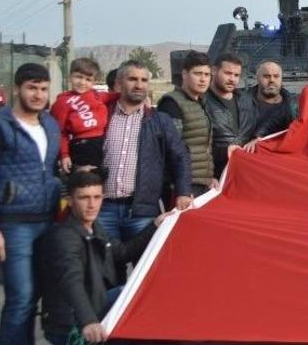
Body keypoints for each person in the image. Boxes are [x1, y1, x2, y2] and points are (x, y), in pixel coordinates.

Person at [36, 170, 171, 345]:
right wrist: (89, 320)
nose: (92, 204)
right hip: (69, 328)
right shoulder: (64, 237)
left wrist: (155, 225)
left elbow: (122, 252)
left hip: (83, 317)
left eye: (97, 197)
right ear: (70, 201)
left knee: (137, 292)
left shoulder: (94, 228)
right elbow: (71, 282)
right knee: (128, 296)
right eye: (84, 198)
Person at [0, 64, 65, 345]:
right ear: (18, 88)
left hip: (45, 219)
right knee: (19, 297)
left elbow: (48, 170)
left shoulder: (49, 124)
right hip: (12, 221)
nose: (38, 95)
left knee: (35, 294)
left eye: (43, 89)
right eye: (32, 88)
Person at [98, 60, 192, 241]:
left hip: (142, 212)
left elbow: (180, 156)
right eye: (132, 79)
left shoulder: (160, 121)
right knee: (106, 267)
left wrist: (183, 191)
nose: (139, 85)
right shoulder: (102, 115)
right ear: (118, 83)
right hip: (103, 209)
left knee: (144, 266)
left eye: (143, 80)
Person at [157, 50, 215, 196]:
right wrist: (181, 188)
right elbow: (171, 149)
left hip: (202, 184)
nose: (203, 79)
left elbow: (203, 147)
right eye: (197, 73)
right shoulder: (172, 103)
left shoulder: (201, 103)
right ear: (184, 74)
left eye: (207, 75)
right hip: (183, 186)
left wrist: (209, 178)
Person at [50, 57, 109, 174]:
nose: (82, 82)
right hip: (81, 148)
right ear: (70, 76)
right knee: (84, 184)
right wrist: (64, 154)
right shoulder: (63, 102)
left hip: (100, 145)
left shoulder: (97, 96)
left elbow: (115, 95)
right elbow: (59, 132)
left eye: (88, 79)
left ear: (94, 82)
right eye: (78, 77)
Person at [204, 53, 258, 178]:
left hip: (244, 172)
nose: (232, 79)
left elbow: (256, 127)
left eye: (236, 75)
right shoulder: (202, 101)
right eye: (228, 73)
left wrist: (257, 137)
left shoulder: (247, 100)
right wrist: (224, 152)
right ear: (214, 71)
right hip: (214, 176)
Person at [248, 60, 299, 142]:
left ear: (282, 78)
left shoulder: (295, 105)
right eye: (266, 76)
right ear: (257, 78)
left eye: (276, 76)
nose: (272, 80)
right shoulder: (240, 101)